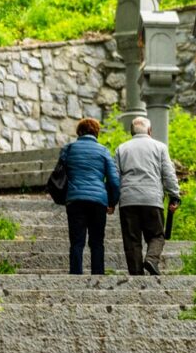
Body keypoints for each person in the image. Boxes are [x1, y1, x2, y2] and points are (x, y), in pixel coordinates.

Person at [114, 116, 180, 276]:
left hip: (128, 201)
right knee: (157, 235)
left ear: (131, 132)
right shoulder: (160, 147)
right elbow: (168, 174)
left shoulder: (121, 149)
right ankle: (151, 258)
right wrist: (174, 195)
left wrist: (112, 200)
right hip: (152, 199)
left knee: (132, 240)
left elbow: (115, 177)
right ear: (150, 131)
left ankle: (136, 275)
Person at [61, 117, 120, 275]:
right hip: (98, 201)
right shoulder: (103, 151)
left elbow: (59, 174)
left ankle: (75, 275)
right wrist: (112, 201)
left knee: (76, 242)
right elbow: (114, 180)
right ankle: (98, 275)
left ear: (79, 132)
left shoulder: (69, 148)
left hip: (75, 199)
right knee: (97, 242)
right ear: (96, 132)